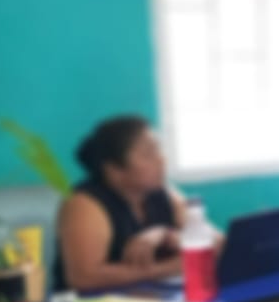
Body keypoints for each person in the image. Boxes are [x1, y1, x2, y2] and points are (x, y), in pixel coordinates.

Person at [56, 116, 188, 292]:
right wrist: (169, 268)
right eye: (148, 154)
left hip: (152, 299)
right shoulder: (84, 203)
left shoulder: (164, 192)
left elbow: (216, 245)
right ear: (113, 170)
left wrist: (166, 233)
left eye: (159, 150)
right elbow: (83, 277)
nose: (161, 160)